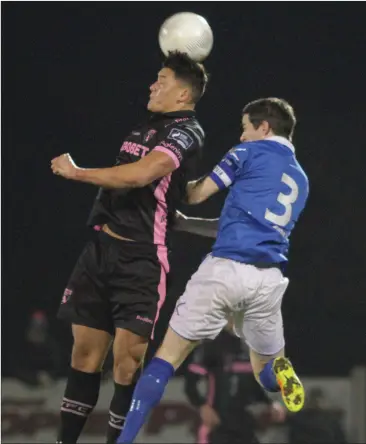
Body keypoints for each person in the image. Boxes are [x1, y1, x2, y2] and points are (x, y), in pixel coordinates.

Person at [117, 97, 310, 443]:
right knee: (263, 368)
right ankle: (279, 374)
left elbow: (196, 193)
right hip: (268, 279)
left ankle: (123, 440)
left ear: (263, 128)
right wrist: (187, 225)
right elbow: (237, 224)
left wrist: (164, 182)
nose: (241, 137)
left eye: (245, 129)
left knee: (167, 357)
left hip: (224, 271)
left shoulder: (248, 154)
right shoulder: (300, 178)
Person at [50, 51, 208, 444]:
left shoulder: (187, 131)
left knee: (125, 365)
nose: (153, 85)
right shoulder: (145, 127)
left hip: (141, 260)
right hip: (101, 251)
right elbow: (168, 189)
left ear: (184, 93)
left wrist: (76, 172)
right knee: (84, 357)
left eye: (162, 79)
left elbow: (141, 175)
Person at [185, 319, 285, 444]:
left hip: (243, 423)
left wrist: (270, 403)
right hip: (217, 423)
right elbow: (190, 384)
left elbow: (253, 386)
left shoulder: (251, 347)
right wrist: (202, 406)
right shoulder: (210, 346)